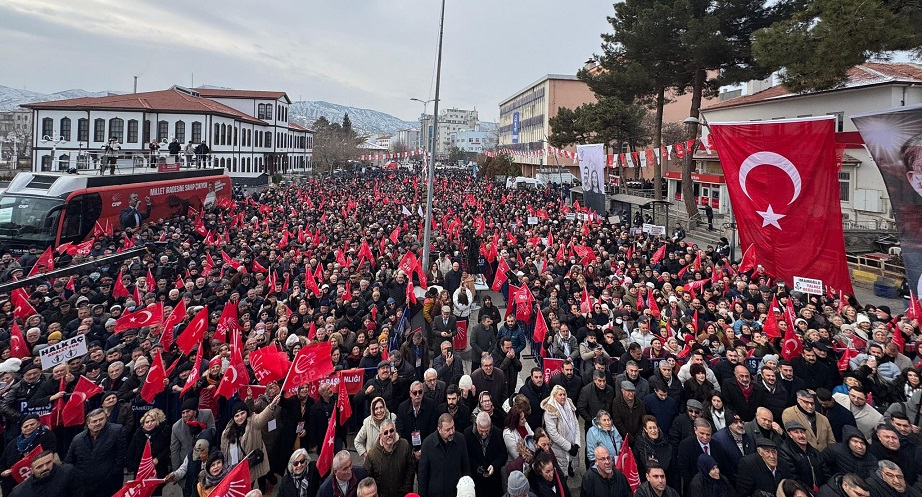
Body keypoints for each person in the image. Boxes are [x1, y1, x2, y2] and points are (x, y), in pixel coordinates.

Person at [64, 408, 126, 497]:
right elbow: (69, 461)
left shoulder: (117, 431)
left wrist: (114, 475)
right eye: (94, 421)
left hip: (109, 484)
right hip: (85, 486)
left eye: (101, 419)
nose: (98, 423)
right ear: (88, 423)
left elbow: (120, 456)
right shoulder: (78, 439)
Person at [221, 396, 280, 485]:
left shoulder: (253, 422)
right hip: (234, 469)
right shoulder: (227, 431)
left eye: (242, 413)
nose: (240, 417)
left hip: (250, 466)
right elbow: (224, 450)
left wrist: (271, 406)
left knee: (250, 486)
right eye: (237, 415)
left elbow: (261, 418)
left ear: (247, 412)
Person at [0, 415, 57, 497]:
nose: (29, 427)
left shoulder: (46, 435)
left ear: (38, 424)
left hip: (40, 477)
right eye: (26, 426)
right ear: (21, 429)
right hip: (14, 481)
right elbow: (2, 462)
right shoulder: (13, 443)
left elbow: (50, 452)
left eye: (32, 424)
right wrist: (3, 472)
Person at [417, 413, 470, 497]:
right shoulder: (428, 444)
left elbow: (466, 467)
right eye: (447, 430)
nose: (451, 432)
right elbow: (423, 475)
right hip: (436, 493)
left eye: (453, 427)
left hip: (456, 492)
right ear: (439, 429)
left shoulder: (460, 439)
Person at [363, 420, 416, 497]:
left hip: (402, 494)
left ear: (395, 431)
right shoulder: (373, 454)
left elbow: (411, 468)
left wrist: (406, 488)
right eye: (385, 432)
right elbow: (367, 476)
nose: (389, 435)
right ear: (380, 436)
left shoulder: (405, 445)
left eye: (391, 431)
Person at [541, 384, 580, 477]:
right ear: (554, 396)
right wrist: (569, 447)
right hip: (558, 448)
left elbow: (576, 424)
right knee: (561, 473)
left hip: (572, 443)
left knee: (570, 462)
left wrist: (577, 443)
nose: (563, 397)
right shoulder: (550, 411)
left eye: (564, 394)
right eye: (560, 395)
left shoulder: (569, 404)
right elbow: (553, 434)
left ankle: (570, 468)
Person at [464, 412, 506, 497]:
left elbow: (503, 454)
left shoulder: (498, 433)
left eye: (486, 430)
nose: (484, 434)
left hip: (493, 483)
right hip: (476, 482)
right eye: (481, 431)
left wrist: (494, 465)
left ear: (490, 425)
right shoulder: (467, 434)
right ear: (476, 425)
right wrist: (476, 467)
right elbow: (466, 456)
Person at [8, 450, 84, 497]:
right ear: (32, 470)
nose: (45, 468)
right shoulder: (20, 492)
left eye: (48, 463)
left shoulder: (68, 473)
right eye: (39, 467)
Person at [171, 398, 217, 474]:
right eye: (183, 413)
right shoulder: (176, 427)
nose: (185, 415)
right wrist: (176, 472)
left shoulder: (207, 414)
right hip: (187, 461)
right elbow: (174, 449)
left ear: (195, 410)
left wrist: (201, 430)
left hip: (205, 457)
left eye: (188, 411)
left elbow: (213, 432)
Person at [778, 420, 826, 490]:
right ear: (789, 434)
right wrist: (809, 492)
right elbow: (793, 477)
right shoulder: (785, 451)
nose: (801, 435)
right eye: (796, 432)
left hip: (820, 490)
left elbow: (825, 471)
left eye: (802, 432)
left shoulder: (814, 452)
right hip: (801, 491)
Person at [127, 408, 171, 480]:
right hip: (141, 472)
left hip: (158, 471)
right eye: (147, 422)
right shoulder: (138, 434)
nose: (149, 424)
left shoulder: (163, 433)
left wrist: (158, 459)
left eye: (152, 421)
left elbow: (168, 448)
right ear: (143, 424)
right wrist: (135, 467)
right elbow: (131, 453)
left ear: (157, 422)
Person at [396, 381, 437, 452]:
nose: (417, 395)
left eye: (420, 392)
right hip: (408, 447)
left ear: (423, 392)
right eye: (415, 393)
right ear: (410, 394)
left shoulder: (430, 404)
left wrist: (423, 449)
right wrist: (411, 450)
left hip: (427, 446)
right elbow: (401, 431)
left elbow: (432, 428)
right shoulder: (402, 408)